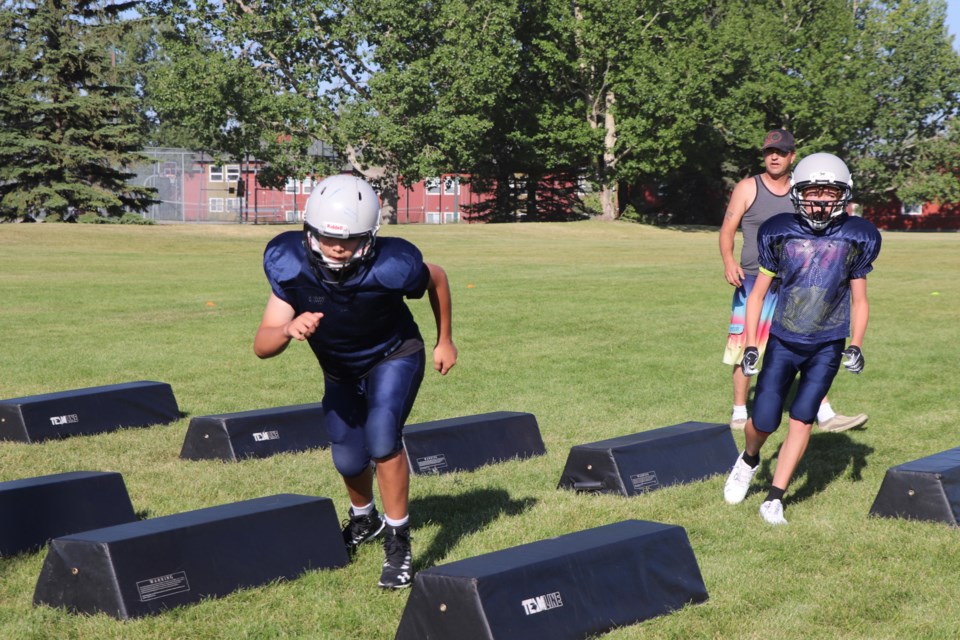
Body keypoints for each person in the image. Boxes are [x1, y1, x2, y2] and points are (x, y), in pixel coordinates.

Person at [253, 174, 457, 589]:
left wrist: (445, 340)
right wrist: (288, 328)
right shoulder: (289, 265)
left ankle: (399, 542)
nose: (337, 246)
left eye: (348, 238)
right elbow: (262, 345)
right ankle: (365, 519)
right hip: (339, 368)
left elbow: (436, 277)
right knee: (347, 457)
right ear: (309, 229)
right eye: (327, 237)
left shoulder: (391, 265)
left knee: (382, 439)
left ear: (370, 235)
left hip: (393, 354)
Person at [722, 152, 881, 525]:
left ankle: (774, 498)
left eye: (830, 193)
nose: (821, 201)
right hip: (784, 338)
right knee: (763, 420)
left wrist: (856, 343)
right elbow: (758, 294)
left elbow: (860, 299)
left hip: (827, 343)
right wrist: (749, 344)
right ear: (799, 194)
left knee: (803, 416)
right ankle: (748, 459)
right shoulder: (781, 231)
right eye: (814, 192)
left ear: (842, 196)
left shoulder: (856, 236)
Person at [719, 129, 867, 433]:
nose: (774, 156)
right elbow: (727, 228)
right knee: (745, 345)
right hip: (752, 278)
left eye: (781, 152)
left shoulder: (805, 189)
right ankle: (738, 410)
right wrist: (728, 261)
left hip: (798, 283)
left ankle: (824, 412)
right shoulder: (748, 187)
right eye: (769, 151)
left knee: (809, 343)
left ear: (792, 157)